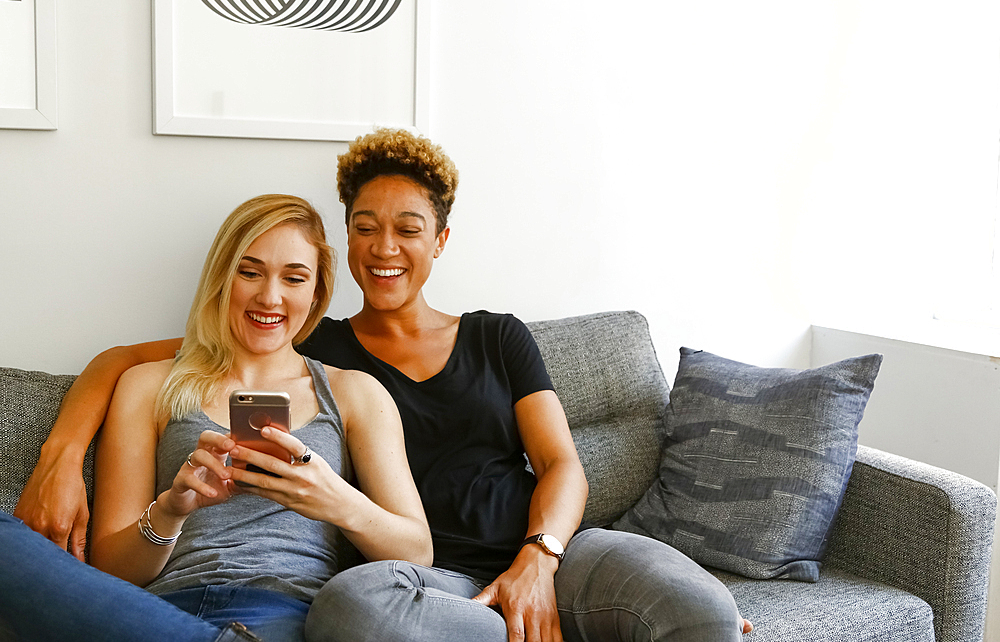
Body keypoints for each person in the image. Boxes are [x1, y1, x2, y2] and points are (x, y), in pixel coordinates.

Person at [16, 133, 751, 642]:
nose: (385, 246)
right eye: (366, 226)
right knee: (351, 608)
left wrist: (540, 555)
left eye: (407, 227)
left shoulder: (493, 336)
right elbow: (139, 358)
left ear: (440, 240)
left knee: (699, 615)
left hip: (549, 560)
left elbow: (562, 464)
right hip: (408, 599)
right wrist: (76, 460)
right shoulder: (315, 342)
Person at [2, 194, 431, 641]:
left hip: (283, 616)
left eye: (294, 278)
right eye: (250, 272)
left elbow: (417, 551)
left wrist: (332, 498)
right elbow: (114, 571)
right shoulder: (148, 386)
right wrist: (170, 510)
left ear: (317, 291)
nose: (270, 296)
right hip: (152, 617)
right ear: (222, 278)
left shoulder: (354, 393)